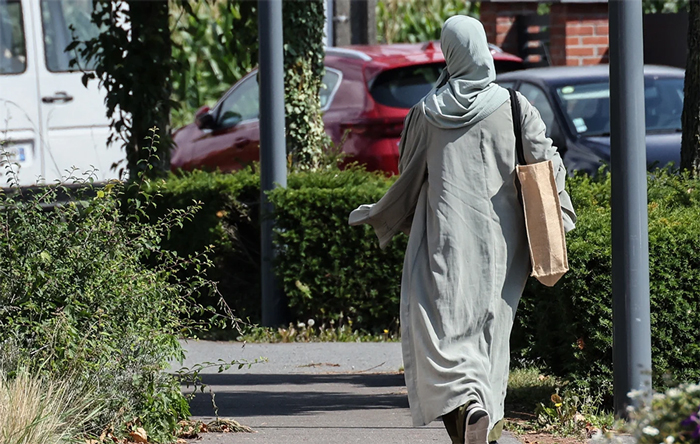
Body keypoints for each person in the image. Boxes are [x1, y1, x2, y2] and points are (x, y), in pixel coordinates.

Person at [348, 15, 576, 444]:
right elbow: (548, 164)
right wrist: (560, 215)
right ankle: (485, 416)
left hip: (444, 243)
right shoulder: (513, 105)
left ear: (450, 53)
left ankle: (468, 413)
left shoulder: (427, 113)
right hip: (504, 248)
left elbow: (408, 174)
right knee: (490, 336)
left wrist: (380, 213)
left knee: (442, 337)